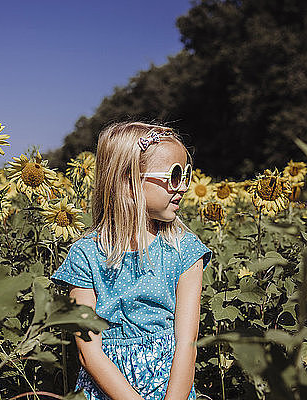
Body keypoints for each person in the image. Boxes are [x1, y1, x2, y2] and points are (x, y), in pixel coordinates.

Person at [50, 122, 212, 400]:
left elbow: (187, 343)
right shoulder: (86, 256)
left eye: (187, 174)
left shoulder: (185, 250)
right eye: (174, 175)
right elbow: (89, 352)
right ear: (128, 180)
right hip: (106, 391)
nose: (184, 186)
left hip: (171, 389)